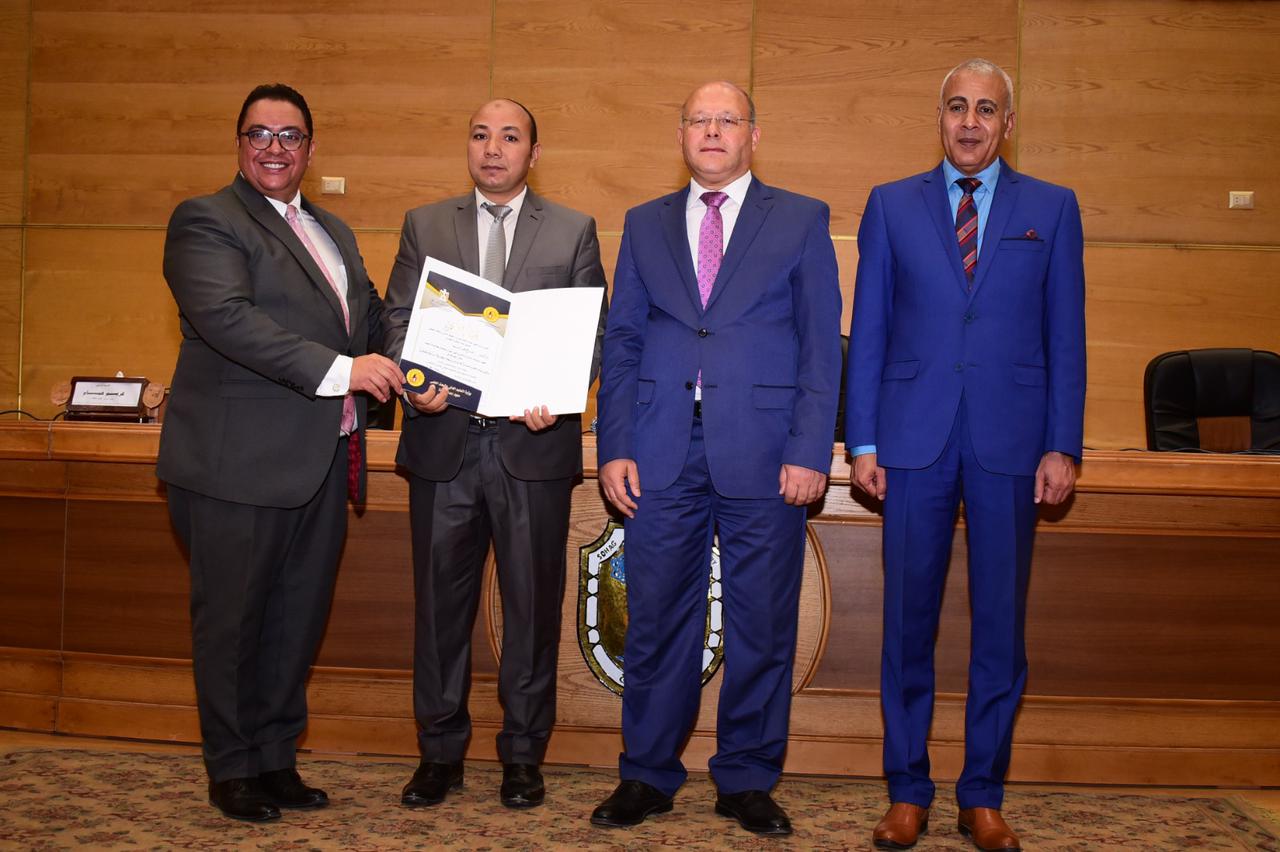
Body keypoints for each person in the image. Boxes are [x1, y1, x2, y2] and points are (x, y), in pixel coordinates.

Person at [846, 58, 1086, 851]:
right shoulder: (891, 204)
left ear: (1007, 123)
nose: (970, 121)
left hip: (1011, 443)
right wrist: (864, 438)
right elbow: (870, 330)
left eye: (986, 109)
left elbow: (1067, 335)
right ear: (940, 117)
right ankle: (907, 790)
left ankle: (983, 793)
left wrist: (1062, 443)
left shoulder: (1052, 208)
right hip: (911, 441)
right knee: (906, 626)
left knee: (999, 631)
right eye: (957, 107)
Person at [591, 81, 843, 837]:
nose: (711, 131)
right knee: (656, 619)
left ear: (752, 136)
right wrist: (615, 444)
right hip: (661, 447)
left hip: (766, 452)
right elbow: (623, 341)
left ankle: (747, 777)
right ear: (680, 135)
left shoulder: (800, 217)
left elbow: (820, 344)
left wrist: (810, 448)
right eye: (698, 120)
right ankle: (646, 773)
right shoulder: (644, 223)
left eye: (726, 119)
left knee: (762, 622)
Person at [158, 83, 405, 821]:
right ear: (239, 143)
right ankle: (232, 767)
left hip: (320, 462)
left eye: (289, 135)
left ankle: (274, 758)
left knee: (295, 620)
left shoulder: (333, 231)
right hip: (234, 466)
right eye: (259, 134)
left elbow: (372, 319)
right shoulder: (206, 220)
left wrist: (439, 357)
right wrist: (345, 371)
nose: (274, 147)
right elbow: (229, 320)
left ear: (310, 148)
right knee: (233, 623)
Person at [381, 98, 608, 810]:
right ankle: (439, 754)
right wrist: (414, 381)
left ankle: (523, 756)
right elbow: (396, 320)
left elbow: (592, 335)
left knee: (532, 610)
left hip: (530, 448)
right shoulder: (425, 224)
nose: (493, 148)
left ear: (532, 154)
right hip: (443, 444)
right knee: (437, 610)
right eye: (480, 135)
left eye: (510, 137)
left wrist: (559, 394)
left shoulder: (572, 229)